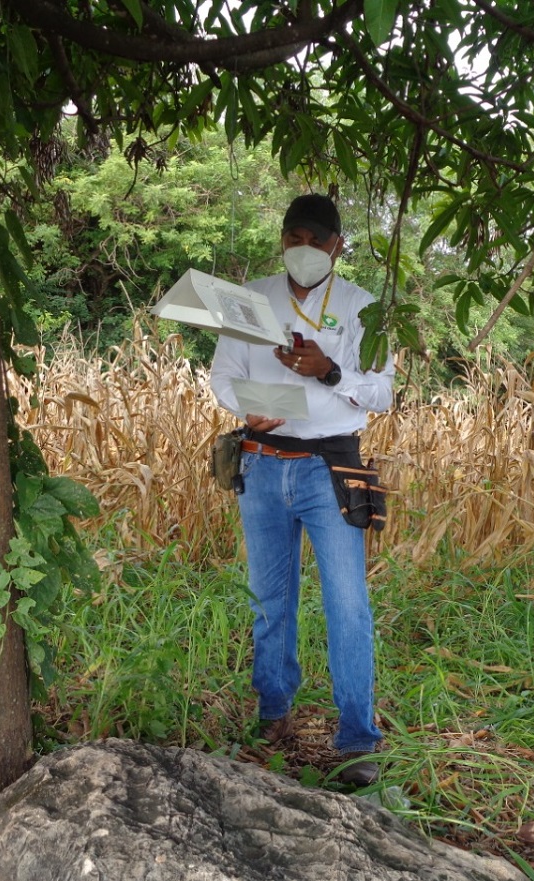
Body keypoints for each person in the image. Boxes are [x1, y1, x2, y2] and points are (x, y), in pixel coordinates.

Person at [209, 193, 393, 787]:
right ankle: (273, 713)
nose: (305, 248)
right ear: (282, 239)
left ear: (339, 246)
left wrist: (329, 371)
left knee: (347, 604)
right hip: (261, 463)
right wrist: (247, 410)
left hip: (329, 468)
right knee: (269, 599)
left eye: (318, 239)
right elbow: (223, 375)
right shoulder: (250, 299)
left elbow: (384, 393)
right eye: (295, 237)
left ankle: (358, 738)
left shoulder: (363, 308)